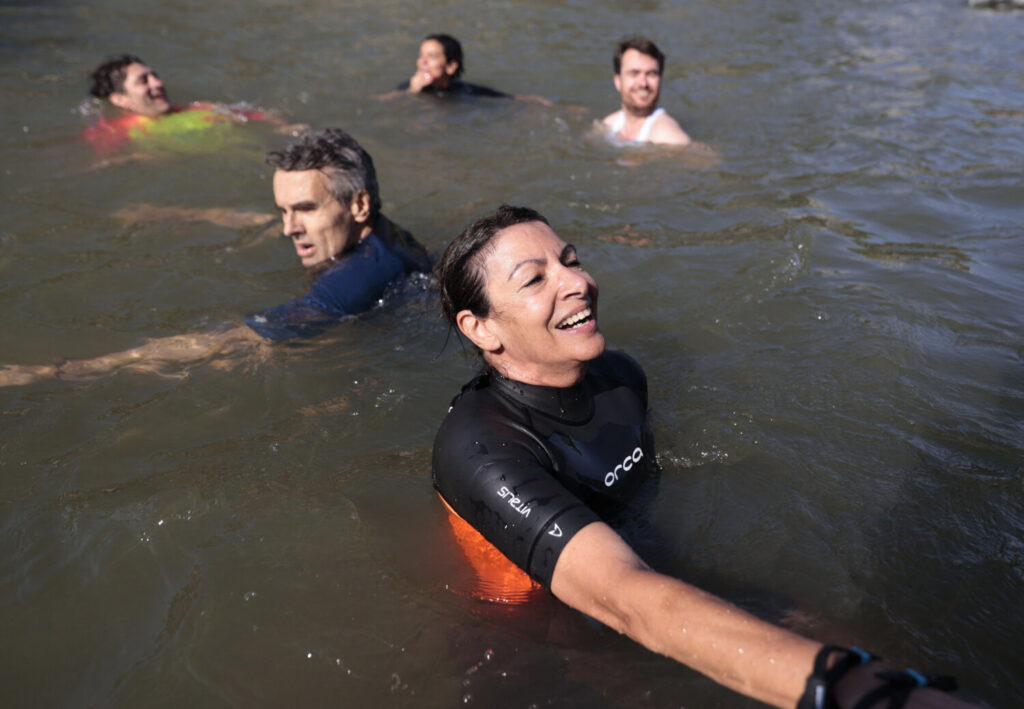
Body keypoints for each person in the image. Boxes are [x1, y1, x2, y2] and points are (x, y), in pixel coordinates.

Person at [431, 205, 976, 708]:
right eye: (535, 279)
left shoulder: (619, 378)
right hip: (536, 636)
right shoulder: (480, 450)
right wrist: (846, 686)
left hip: (643, 572)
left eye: (571, 261)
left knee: (861, 643)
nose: (578, 282)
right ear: (480, 328)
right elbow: (622, 596)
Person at [0, 129, 429, 387]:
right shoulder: (377, 234)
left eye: (304, 209)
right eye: (282, 210)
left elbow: (238, 339)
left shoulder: (354, 278)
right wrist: (178, 215)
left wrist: (70, 370)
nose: (287, 228)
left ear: (358, 206)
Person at [85, 54, 305, 152]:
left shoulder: (192, 107)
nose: (158, 83)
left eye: (155, 76)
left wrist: (282, 125)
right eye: (144, 80)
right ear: (120, 99)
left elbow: (251, 113)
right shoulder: (116, 133)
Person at [380, 34, 552, 105]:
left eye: (431, 57)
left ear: (451, 66)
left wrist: (535, 101)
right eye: (421, 56)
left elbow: (508, 99)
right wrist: (411, 92)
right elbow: (380, 102)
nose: (422, 62)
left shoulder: (464, 91)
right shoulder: (409, 87)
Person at [601, 37, 692, 146]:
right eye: (634, 73)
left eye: (651, 74)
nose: (643, 83)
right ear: (618, 81)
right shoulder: (608, 124)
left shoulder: (668, 138)